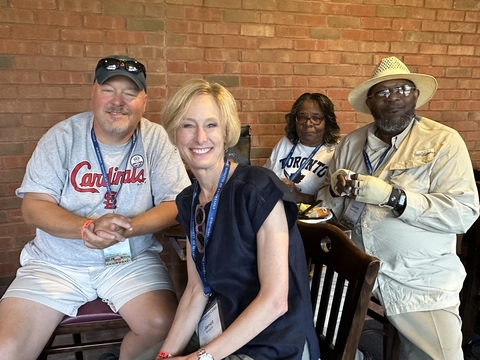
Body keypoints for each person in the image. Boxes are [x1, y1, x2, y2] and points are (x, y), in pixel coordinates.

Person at [0, 55, 191, 360]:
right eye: (108, 90)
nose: (118, 101)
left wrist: (129, 228)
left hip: (130, 259)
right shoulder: (62, 137)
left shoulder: (156, 139)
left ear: (144, 100)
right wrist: (86, 227)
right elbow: (34, 206)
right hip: (56, 262)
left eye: (130, 93)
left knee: (162, 324)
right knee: (5, 349)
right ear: (93, 93)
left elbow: (176, 203)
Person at [319, 56, 480, 359]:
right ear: (369, 102)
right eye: (382, 92)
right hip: (354, 266)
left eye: (403, 90)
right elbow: (326, 209)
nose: (394, 99)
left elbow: (463, 213)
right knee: (314, 327)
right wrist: (334, 189)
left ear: (416, 95)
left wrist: (395, 198)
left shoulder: (444, 142)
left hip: (418, 276)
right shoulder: (351, 144)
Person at [152, 79, 320, 360]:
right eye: (187, 125)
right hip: (225, 334)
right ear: (174, 133)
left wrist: (200, 358)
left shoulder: (257, 188)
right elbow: (196, 290)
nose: (200, 137)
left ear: (227, 131)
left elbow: (275, 301)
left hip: (275, 342)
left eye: (211, 125)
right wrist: (165, 355)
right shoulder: (188, 200)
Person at [264, 92, 340, 204]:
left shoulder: (336, 151)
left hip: (312, 218)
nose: (308, 123)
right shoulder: (285, 143)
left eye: (316, 118)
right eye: (302, 117)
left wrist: (299, 196)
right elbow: (267, 175)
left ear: (327, 122)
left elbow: (335, 201)